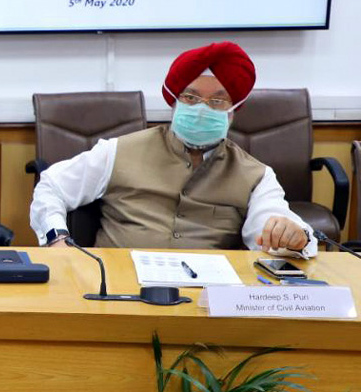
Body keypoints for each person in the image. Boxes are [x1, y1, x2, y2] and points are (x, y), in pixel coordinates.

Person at [29, 42, 317, 257]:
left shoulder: (255, 175)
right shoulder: (119, 151)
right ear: (174, 102)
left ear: (233, 112)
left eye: (217, 101)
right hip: (116, 288)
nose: (202, 109)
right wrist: (57, 237)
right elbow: (52, 186)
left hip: (206, 300)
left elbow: (272, 223)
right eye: (190, 98)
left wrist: (293, 235)